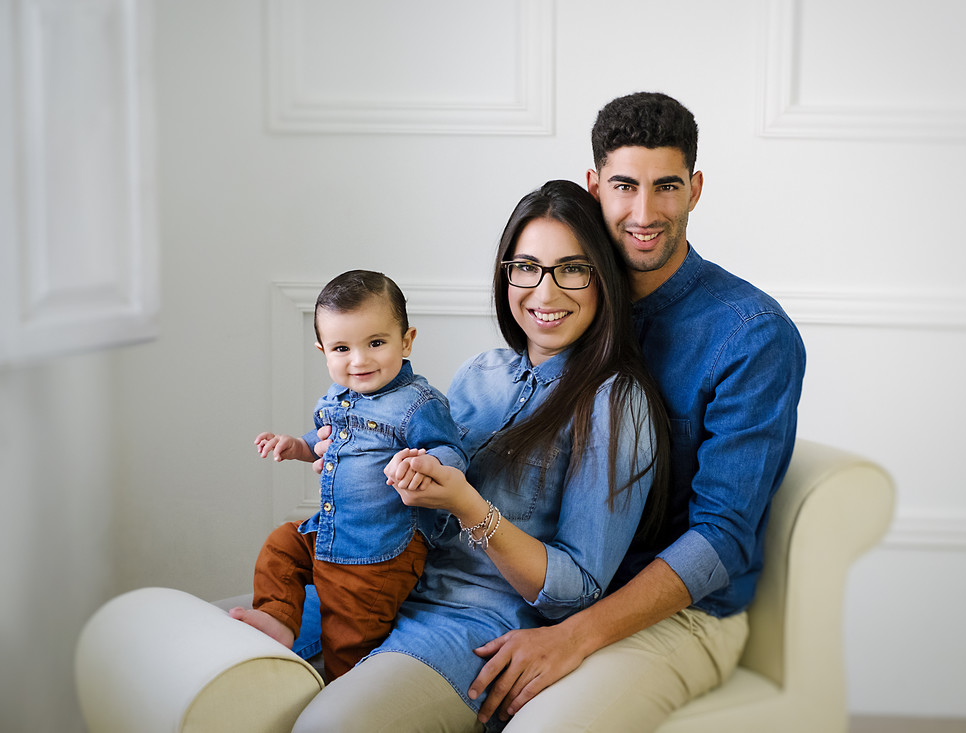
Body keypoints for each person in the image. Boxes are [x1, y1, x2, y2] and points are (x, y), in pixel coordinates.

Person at [461, 92, 807, 731]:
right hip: (552, 586)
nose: (644, 213)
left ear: (695, 189)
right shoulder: (568, 299)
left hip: (680, 614)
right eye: (624, 185)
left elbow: (721, 539)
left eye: (667, 186)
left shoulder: (750, 335)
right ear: (594, 187)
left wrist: (578, 636)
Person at [291, 180, 671, 732]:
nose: (545, 291)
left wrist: (470, 506)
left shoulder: (617, 402)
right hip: (383, 576)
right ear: (506, 274)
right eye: (527, 267)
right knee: (237, 662)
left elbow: (577, 587)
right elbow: (416, 471)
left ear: (601, 278)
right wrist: (355, 459)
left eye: (571, 268)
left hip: (471, 622)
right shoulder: (480, 371)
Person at [229, 269, 467, 681]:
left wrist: (426, 465)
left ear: (406, 341)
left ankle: (345, 689)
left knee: (348, 633)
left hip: (379, 550)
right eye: (342, 348)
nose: (359, 360)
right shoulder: (338, 397)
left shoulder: (417, 402)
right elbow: (323, 441)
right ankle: (279, 620)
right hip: (330, 530)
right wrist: (295, 446)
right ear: (323, 351)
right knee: (282, 546)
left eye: (376, 343)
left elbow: (451, 450)